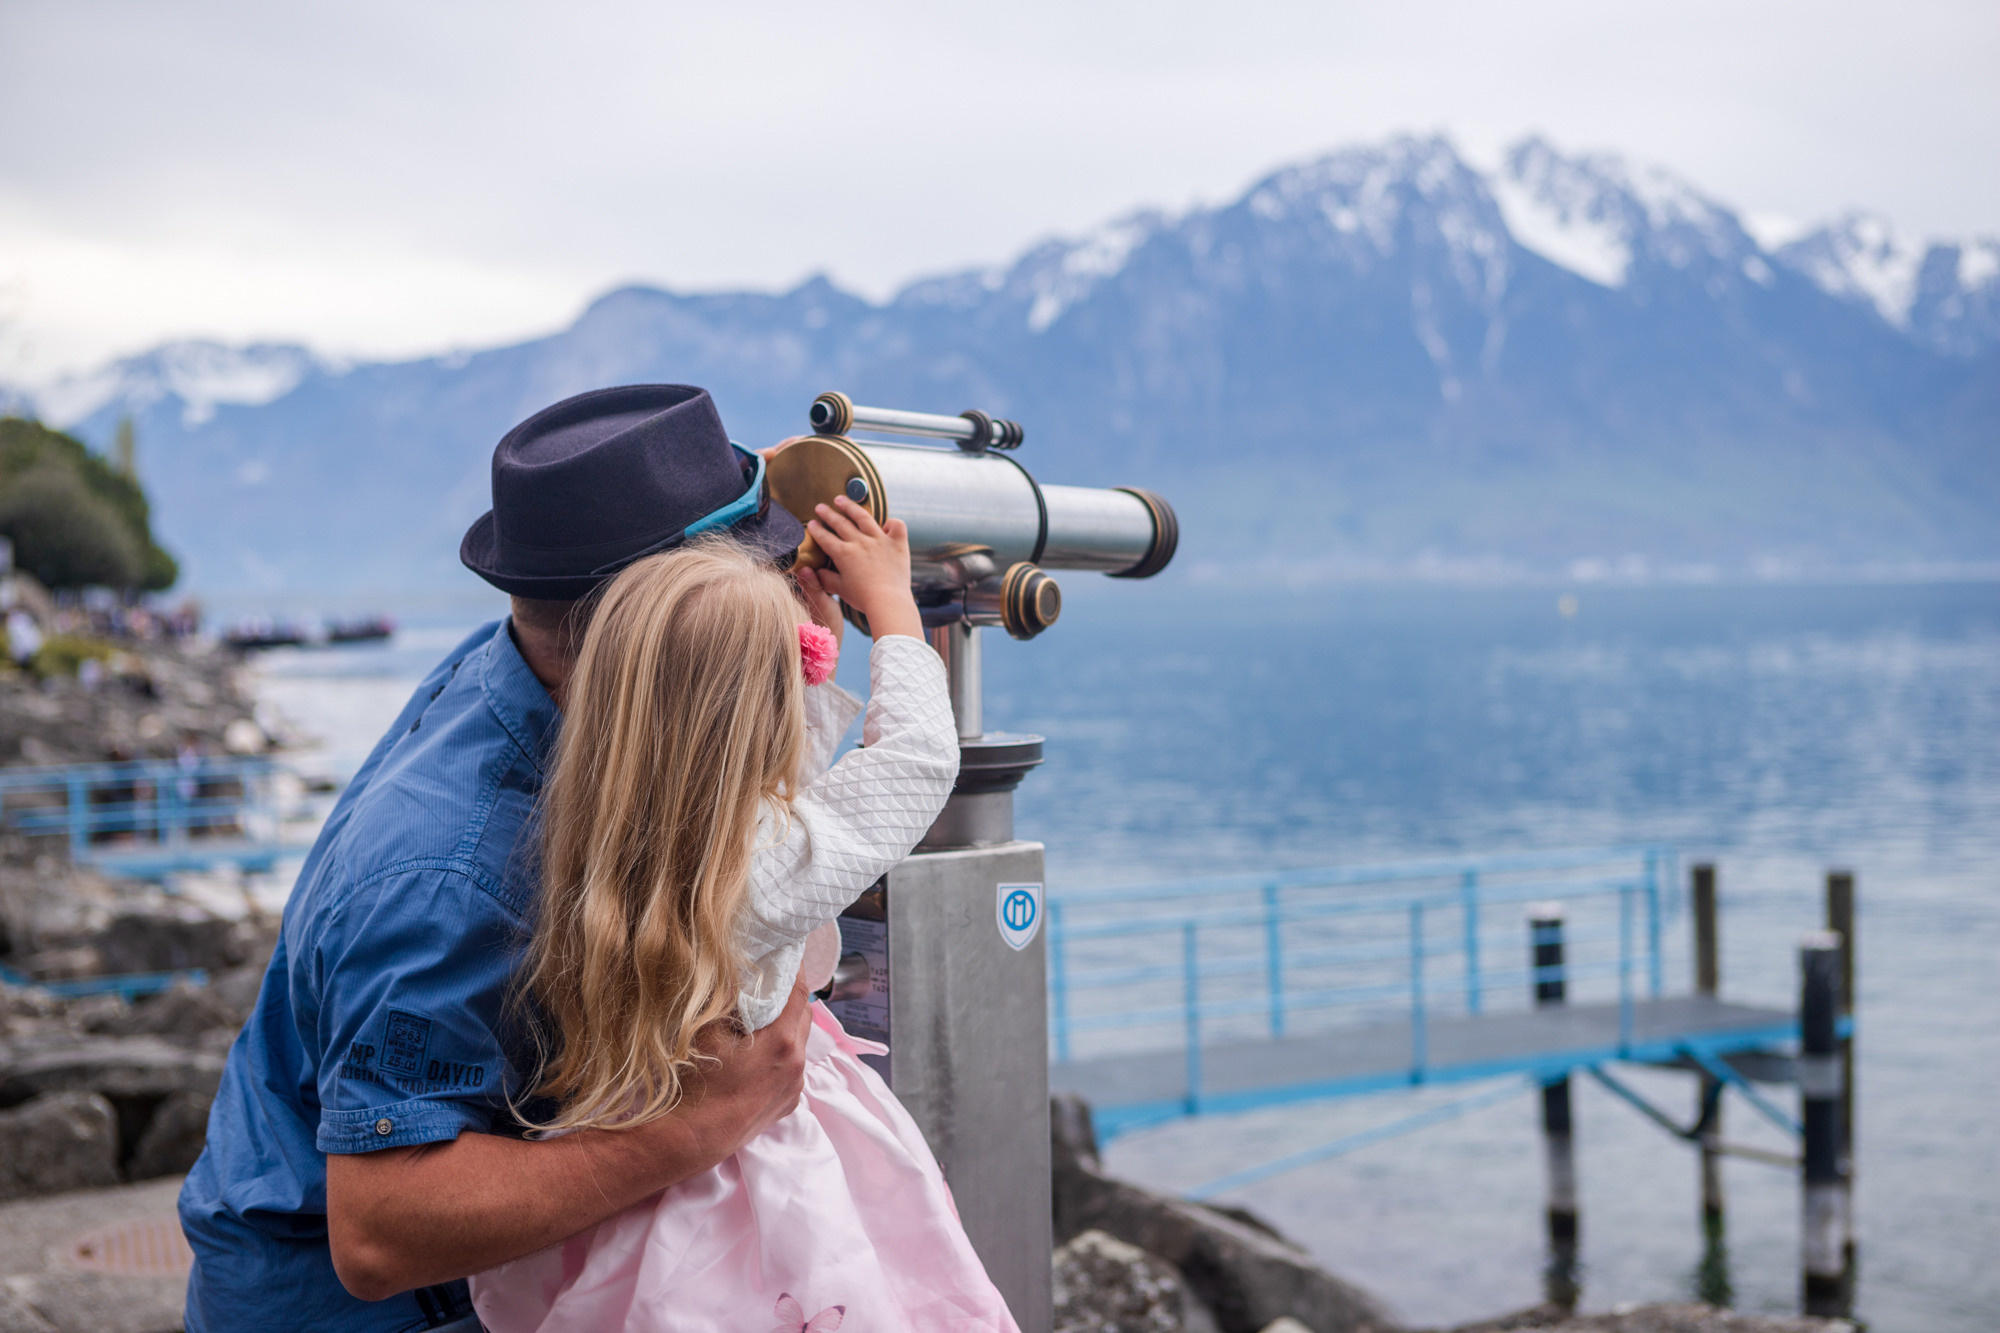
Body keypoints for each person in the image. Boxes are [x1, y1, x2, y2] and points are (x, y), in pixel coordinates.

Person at [179, 386, 819, 1332]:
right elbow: (380, 1228)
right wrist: (691, 1129)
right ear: (643, 627)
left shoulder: (531, 663)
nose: (778, 598)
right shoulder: (447, 874)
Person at [469, 506, 1015, 1331]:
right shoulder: (760, 870)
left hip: (627, 1196)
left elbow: (759, 791)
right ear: (761, 716)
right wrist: (893, 608)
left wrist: (813, 660)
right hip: (752, 1192)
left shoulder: (592, 841)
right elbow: (916, 761)